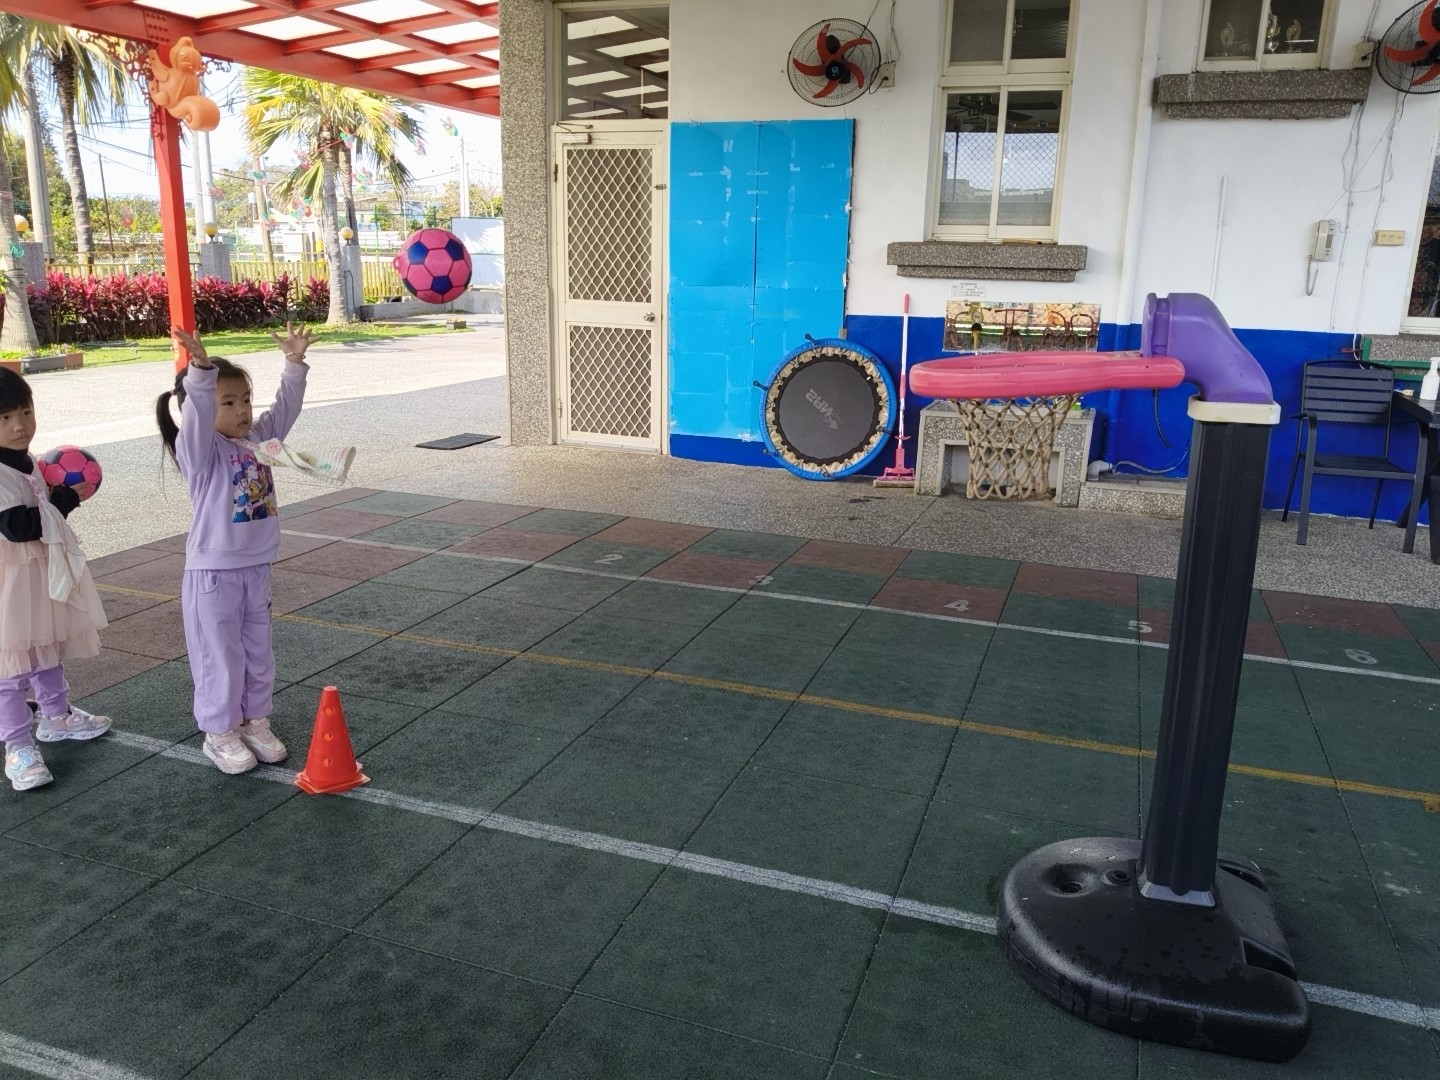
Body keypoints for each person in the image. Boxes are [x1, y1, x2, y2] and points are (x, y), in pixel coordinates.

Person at [157, 322, 314, 774]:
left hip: (256, 566)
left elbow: (286, 407)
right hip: (213, 573)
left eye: (246, 399)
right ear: (204, 409)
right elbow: (197, 418)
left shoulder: (260, 441)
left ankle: (253, 721)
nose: (243, 410)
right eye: (228, 402)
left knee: (257, 653)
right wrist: (200, 371)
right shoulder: (201, 452)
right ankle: (219, 731)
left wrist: (294, 363)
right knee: (219, 656)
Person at [0, 369, 111, 792]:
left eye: (26, 412)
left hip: (39, 575)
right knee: (11, 665)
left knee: (46, 647)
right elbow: (19, 527)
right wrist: (62, 501)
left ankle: (56, 716)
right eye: (5, 417)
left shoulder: (28, 460)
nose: (20, 425)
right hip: (10, 583)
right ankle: (17, 747)